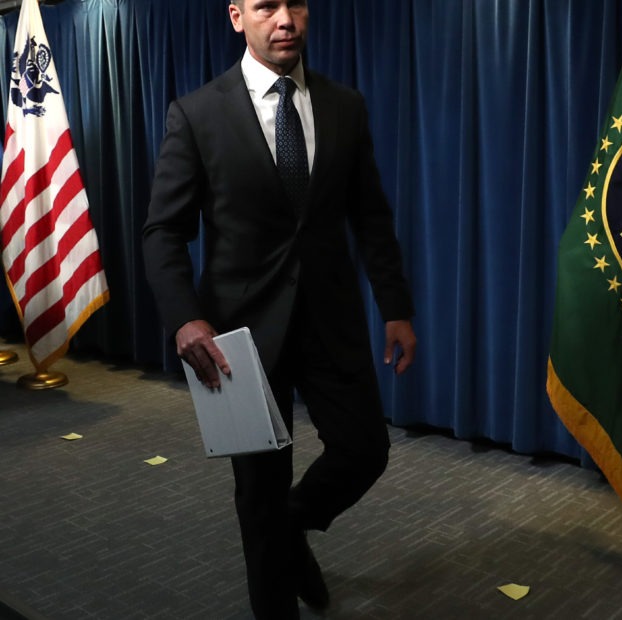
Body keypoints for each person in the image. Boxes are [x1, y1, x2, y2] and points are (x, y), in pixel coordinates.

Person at [141, 0, 416, 617]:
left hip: (331, 323)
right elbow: (162, 233)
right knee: (257, 495)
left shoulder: (345, 106)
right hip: (237, 341)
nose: (284, 18)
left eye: (295, 4)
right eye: (267, 6)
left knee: (364, 451)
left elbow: (370, 217)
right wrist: (185, 317)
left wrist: (395, 305)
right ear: (237, 16)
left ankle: (290, 529)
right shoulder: (197, 114)